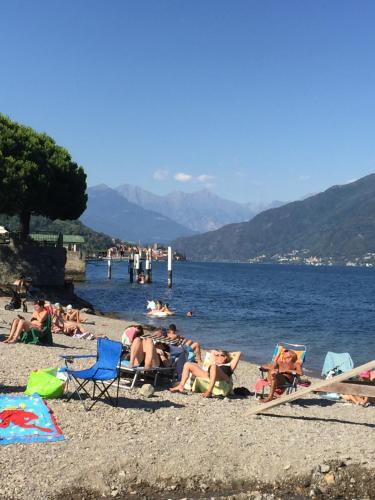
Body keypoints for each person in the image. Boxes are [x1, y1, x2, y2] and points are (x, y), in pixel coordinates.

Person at [170, 350, 241, 398]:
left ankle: (209, 391)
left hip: (223, 377)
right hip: (209, 375)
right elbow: (211, 352)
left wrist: (229, 354)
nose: (218, 357)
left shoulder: (229, 365)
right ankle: (181, 386)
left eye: (221, 355)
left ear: (225, 357)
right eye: (217, 355)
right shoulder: (214, 362)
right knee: (188, 364)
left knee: (213, 367)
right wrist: (215, 353)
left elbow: (239, 353)